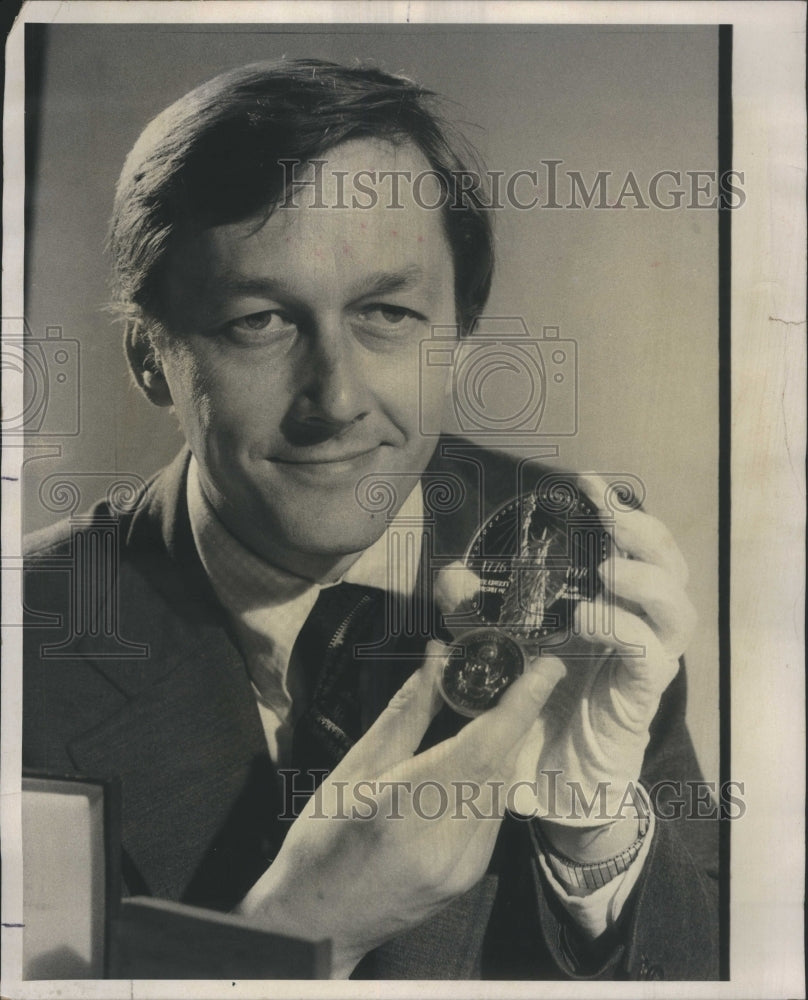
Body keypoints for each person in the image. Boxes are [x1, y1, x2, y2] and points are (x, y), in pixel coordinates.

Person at [22, 59, 718, 980]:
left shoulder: (579, 560)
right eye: (259, 322)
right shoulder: (30, 638)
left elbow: (719, 966)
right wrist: (295, 930)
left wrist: (590, 836)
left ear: (459, 338)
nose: (337, 399)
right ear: (153, 357)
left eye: (387, 312)